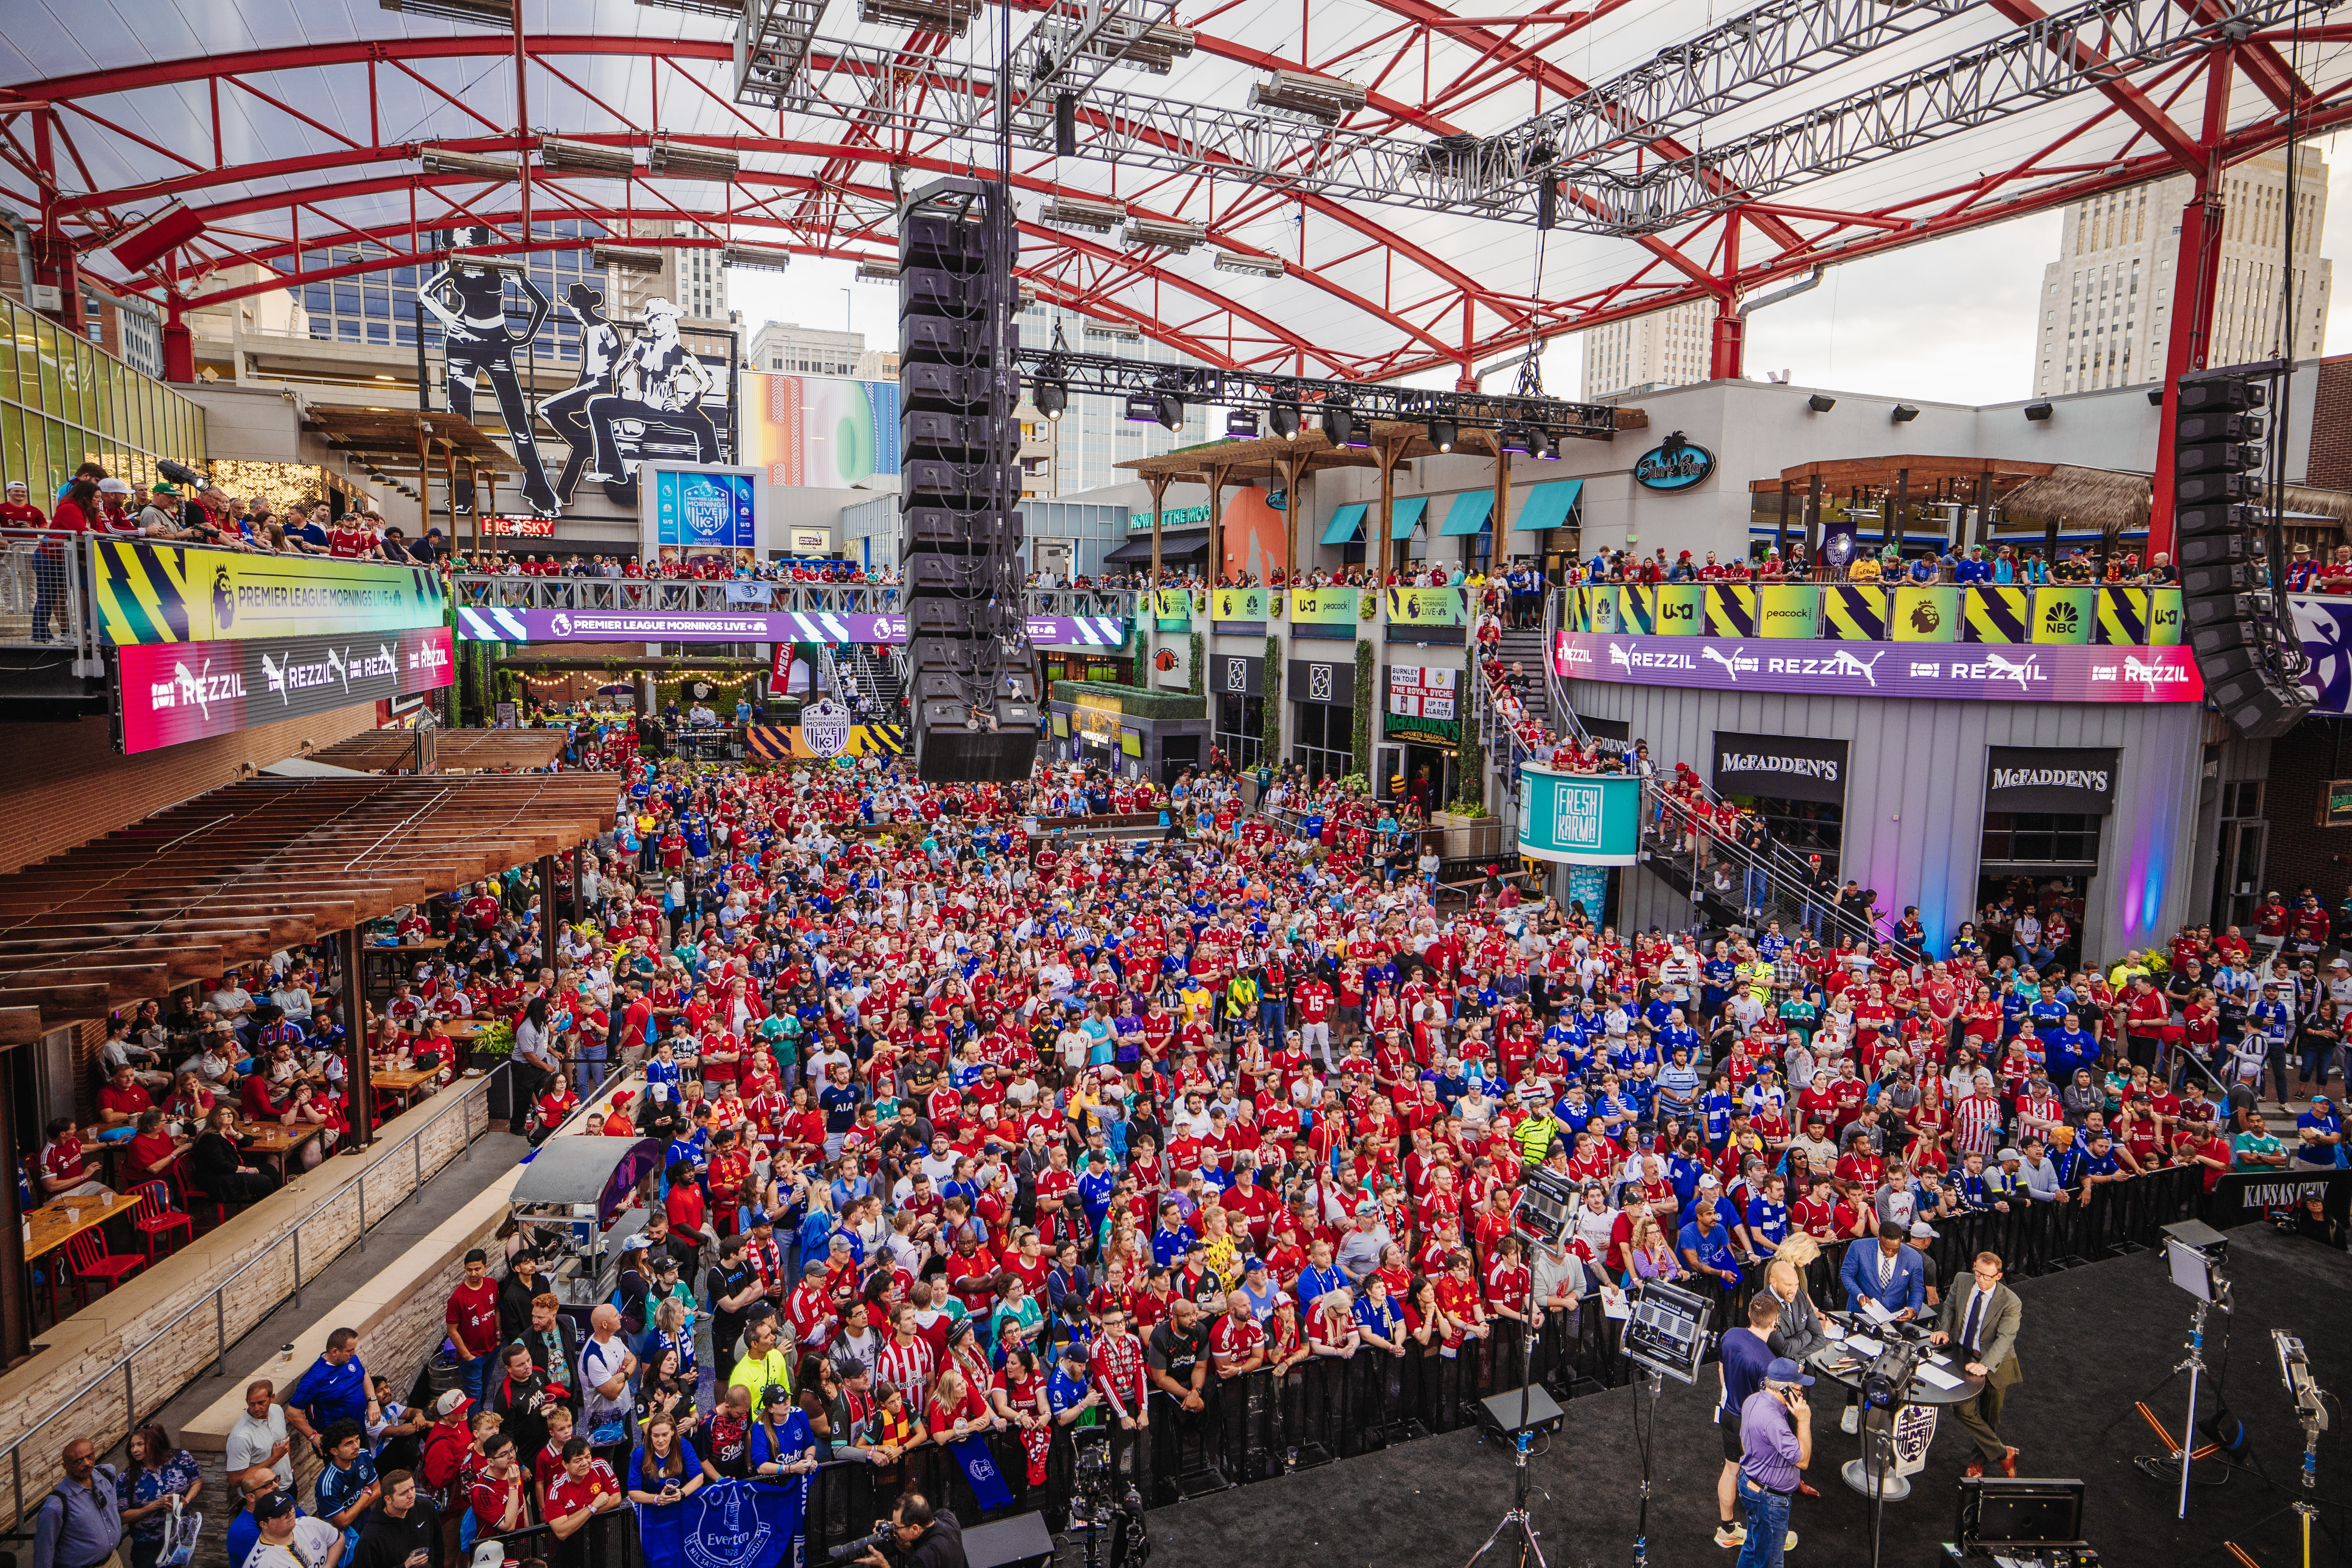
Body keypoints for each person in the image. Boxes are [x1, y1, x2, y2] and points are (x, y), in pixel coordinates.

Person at [1931, 1251, 2024, 1478]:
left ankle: (1977, 1463)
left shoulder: (2011, 1301)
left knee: (1991, 1417)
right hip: (1963, 1358)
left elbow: (2006, 1338)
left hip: (1995, 1365)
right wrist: (1944, 1328)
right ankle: (2004, 1454)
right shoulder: (1962, 1280)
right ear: (1974, 1267)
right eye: (1978, 1273)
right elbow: (1950, 1306)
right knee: (1964, 1411)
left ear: (1999, 1276)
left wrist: (1986, 1365)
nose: (1982, 1279)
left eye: (1988, 1277)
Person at [1715, 1294, 1783, 1549]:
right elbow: (1769, 1406)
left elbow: (1722, 1368)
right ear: (1774, 1323)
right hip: (1751, 1425)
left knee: (1731, 1470)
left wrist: (1731, 1392)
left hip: (1729, 1414)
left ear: (1750, 1316)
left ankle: (1727, 1529)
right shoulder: (1768, 1362)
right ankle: (1766, 1536)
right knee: (1764, 1480)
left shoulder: (1730, 1335)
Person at [1734, 1358, 1813, 1568]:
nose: (1802, 1395)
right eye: (1798, 1389)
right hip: (1769, 1499)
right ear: (1784, 1390)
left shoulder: (1753, 1400)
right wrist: (1804, 1421)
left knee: (1753, 1548)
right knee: (1771, 1562)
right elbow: (1803, 1461)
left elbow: (1744, 1441)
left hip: (1752, 1485)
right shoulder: (1774, 1421)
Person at [34, 1438, 124, 1568]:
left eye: (90, 1456)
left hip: (113, 1561)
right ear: (65, 1467)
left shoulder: (106, 1475)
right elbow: (43, 1554)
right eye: (78, 1461)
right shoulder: (55, 1506)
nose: (87, 1463)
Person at [121, 1424, 202, 1568]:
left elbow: (196, 1480)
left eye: (140, 1444)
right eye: (132, 1446)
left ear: (153, 1444)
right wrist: (155, 1506)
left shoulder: (180, 1457)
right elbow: (122, 1517)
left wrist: (185, 1502)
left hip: (179, 1536)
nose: (135, 1450)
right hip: (148, 1544)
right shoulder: (126, 1478)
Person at [853, 1490, 966, 1568]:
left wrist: (883, 1565)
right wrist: (893, 1528)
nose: (894, 1528)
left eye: (897, 1527)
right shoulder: (948, 1517)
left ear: (915, 1529)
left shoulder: (922, 1559)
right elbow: (917, 1545)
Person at [247, 1490, 345, 1568]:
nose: (290, 1514)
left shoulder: (309, 1524)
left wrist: (328, 1566)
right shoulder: (262, 1563)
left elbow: (338, 1539)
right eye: (281, 1514)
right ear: (264, 1524)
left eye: (290, 1508)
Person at [227, 1380, 296, 1490]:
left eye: (261, 1403)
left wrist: (290, 1470)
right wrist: (274, 1459)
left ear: (272, 1397)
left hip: (289, 1484)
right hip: (263, 1496)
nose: (256, 1408)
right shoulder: (240, 1437)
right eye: (252, 1404)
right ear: (247, 1401)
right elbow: (235, 1481)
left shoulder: (277, 1411)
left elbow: (284, 1445)